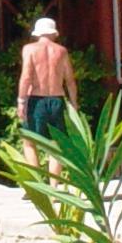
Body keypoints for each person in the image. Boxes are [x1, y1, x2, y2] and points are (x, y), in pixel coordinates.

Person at [16, 16, 78, 163]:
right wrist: (74, 103)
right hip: (57, 99)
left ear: (37, 33)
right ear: (53, 33)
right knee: (56, 144)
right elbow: (70, 80)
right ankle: (54, 184)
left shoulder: (29, 49)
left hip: (36, 100)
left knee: (29, 142)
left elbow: (26, 77)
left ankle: (37, 183)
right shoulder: (61, 51)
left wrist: (21, 101)